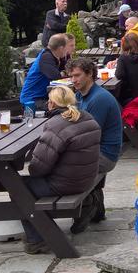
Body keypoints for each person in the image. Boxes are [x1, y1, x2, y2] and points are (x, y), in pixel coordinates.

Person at [20, 84, 102, 254]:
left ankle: (36, 239)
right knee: (26, 185)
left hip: (66, 184)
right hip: (86, 179)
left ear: (52, 104)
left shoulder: (55, 125)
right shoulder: (88, 117)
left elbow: (38, 168)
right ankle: (43, 227)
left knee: (19, 188)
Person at [69, 57, 123, 231]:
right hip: (95, 149)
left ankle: (87, 205)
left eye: (77, 76)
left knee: (63, 167)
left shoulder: (98, 99)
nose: (73, 80)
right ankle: (93, 203)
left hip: (105, 154)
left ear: (90, 74)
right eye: (71, 76)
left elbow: (88, 136)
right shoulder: (80, 95)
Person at [20, 33, 72, 112]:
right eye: (67, 47)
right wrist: (64, 73)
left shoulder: (53, 55)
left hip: (42, 97)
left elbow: (68, 69)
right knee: (64, 109)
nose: (67, 50)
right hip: (32, 100)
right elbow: (56, 76)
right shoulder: (46, 57)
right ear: (61, 48)